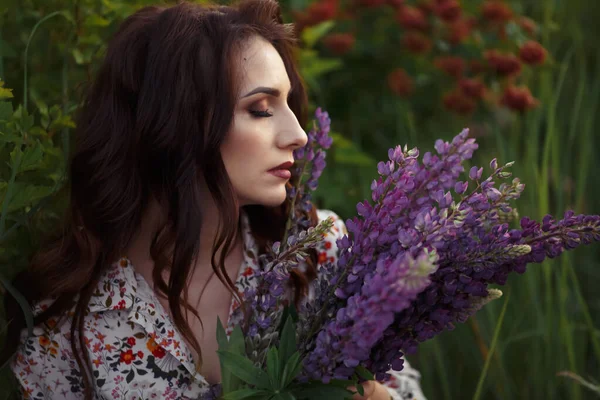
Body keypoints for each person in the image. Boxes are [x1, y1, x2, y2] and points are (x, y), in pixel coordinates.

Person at [1, 0, 427, 399]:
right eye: (261, 108)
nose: (298, 135)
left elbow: (405, 387)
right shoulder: (67, 319)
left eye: (288, 103)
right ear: (175, 124)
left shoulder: (325, 255)